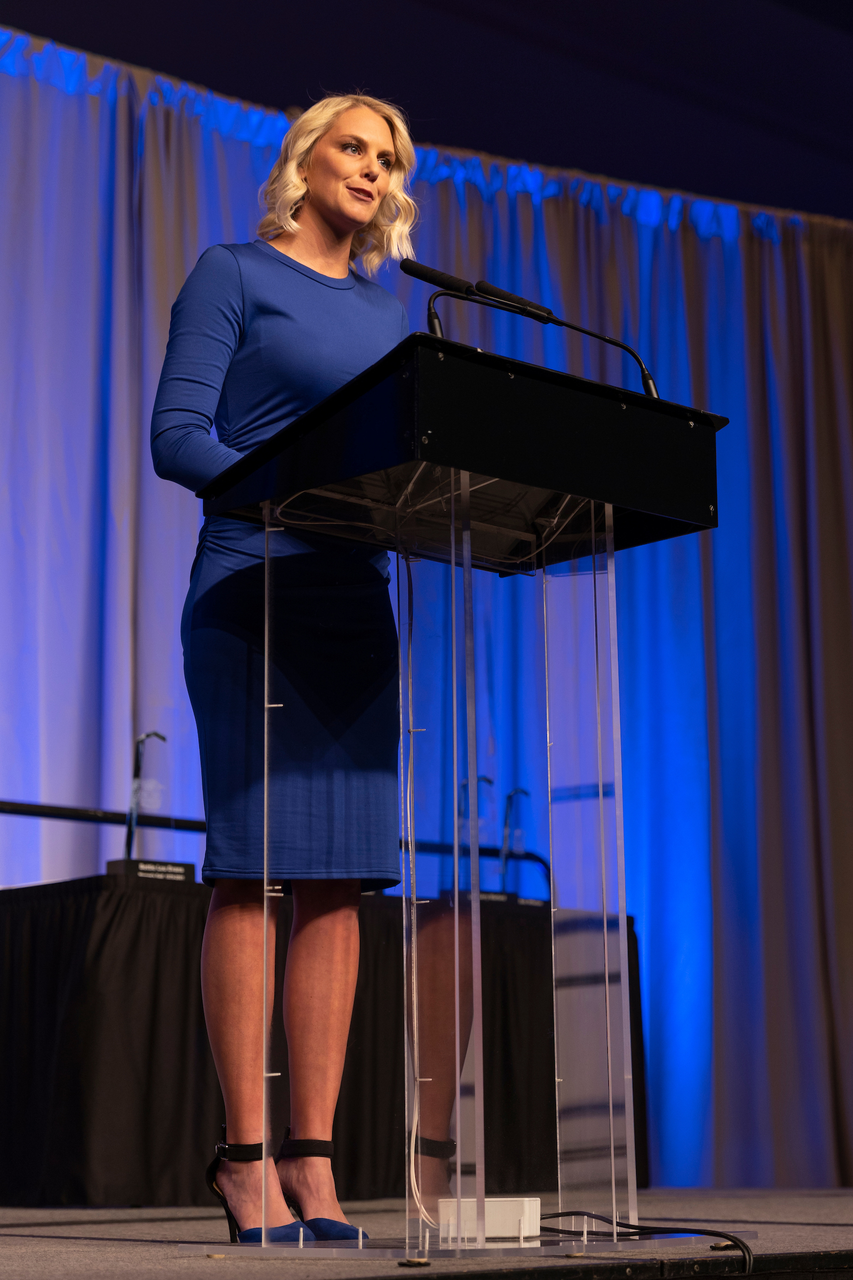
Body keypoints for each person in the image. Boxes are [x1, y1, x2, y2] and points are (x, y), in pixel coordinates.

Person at [151, 93, 417, 1245]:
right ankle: (243, 1155)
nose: (372, 167)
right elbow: (179, 435)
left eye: (390, 157)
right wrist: (278, 490)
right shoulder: (234, 274)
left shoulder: (392, 310)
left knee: (339, 875)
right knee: (256, 863)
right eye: (353, 147)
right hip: (253, 583)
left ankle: (314, 1161)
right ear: (306, 163)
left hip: (354, 600)